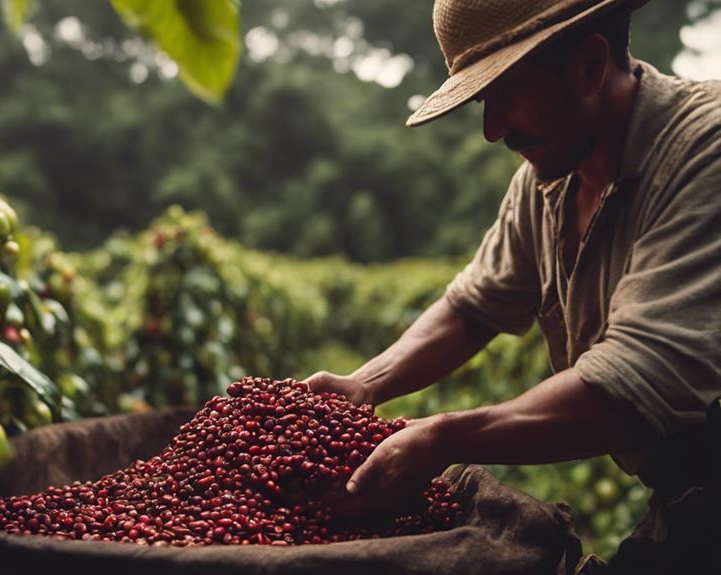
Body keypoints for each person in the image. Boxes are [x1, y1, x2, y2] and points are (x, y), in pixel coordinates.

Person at [303, 0, 721, 572]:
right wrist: (362, 385)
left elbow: (635, 382)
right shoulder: (546, 181)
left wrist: (441, 439)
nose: (491, 129)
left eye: (503, 95)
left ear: (589, 65)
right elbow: (473, 307)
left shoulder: (707, 152)